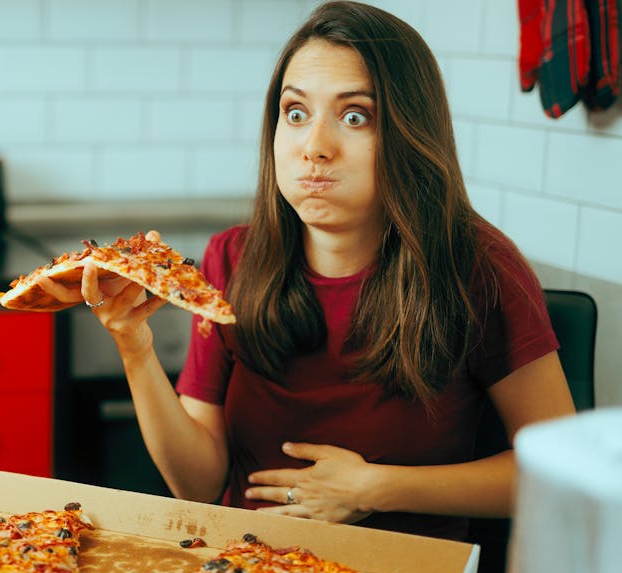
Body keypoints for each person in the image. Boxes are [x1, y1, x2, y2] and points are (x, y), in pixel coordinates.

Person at [39, 0, 575, 542]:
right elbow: (196, 486)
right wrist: (135, 347)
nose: (314, 148)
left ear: (411, 133)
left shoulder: (482, 269)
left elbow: (561, 477)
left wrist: (373, 488)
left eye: (355, 116)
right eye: (296, 114)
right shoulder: (231, 259)